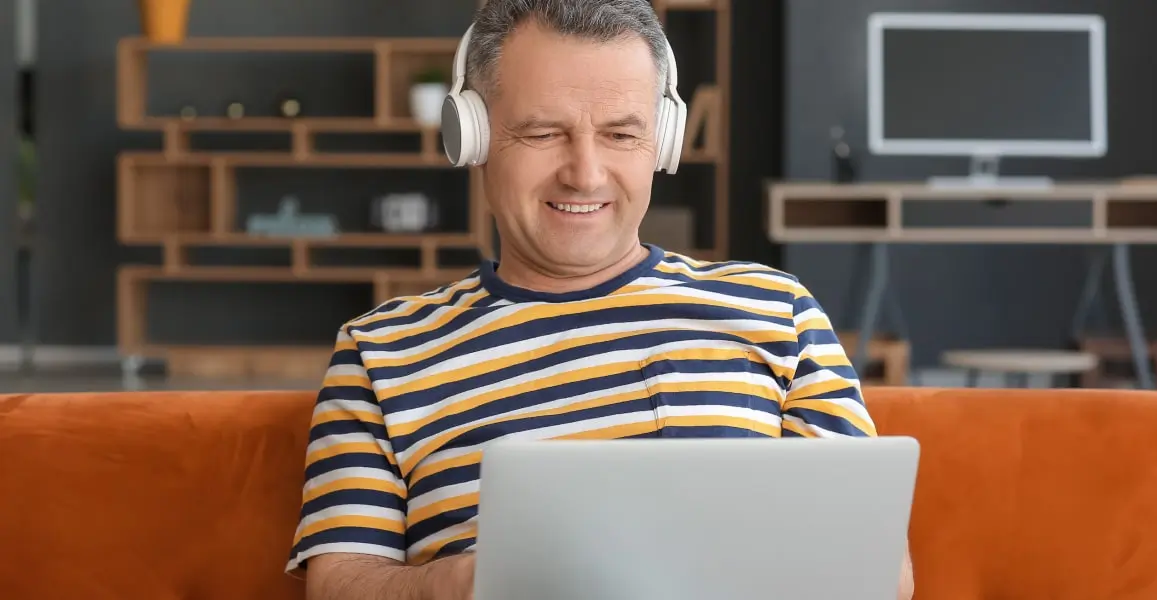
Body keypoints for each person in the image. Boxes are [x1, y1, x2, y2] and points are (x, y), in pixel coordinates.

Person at [287, 1, 914, 598]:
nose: (584, 173)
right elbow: (340, 582)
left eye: (620, 134)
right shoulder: (380, 352)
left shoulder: (778, 309)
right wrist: (445, 588)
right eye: (543, 132)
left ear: (663, 142)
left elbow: (882, 571)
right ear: (471, 136)